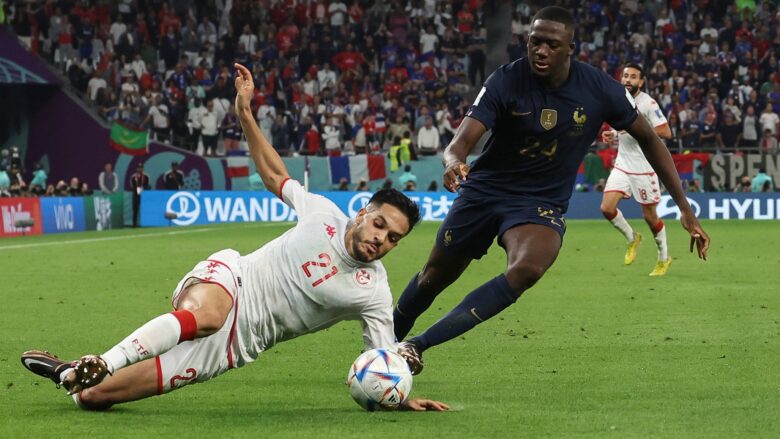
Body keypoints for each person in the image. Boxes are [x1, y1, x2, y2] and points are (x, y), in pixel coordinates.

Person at [20, 63, 448, 413]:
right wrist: (245, 112)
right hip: (232, 279)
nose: (381, 239)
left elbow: (382, 360)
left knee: (93, 397)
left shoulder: (373, 291)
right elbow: (275, 174)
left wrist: (400, 394)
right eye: (380, 225)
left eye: (393, 238)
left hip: (238, 344)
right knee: (208, 315)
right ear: (363, 213)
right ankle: (103, 360)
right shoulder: (322, 214)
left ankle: (74, 372)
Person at [392, 7, 710, 375]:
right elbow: (460, 143)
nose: (541, 51)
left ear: (570, 48)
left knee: (527, 268)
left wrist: (685, 209)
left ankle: (416, 345)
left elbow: (651, 139)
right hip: (484, 191)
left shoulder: (600, 88)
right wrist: (453, 163)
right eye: (535, 42)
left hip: (539, 203)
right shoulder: (505, 79)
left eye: (552, 45)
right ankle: (380, 345)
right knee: (433, 277)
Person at [600, 63, 674, 276]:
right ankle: (632, 238)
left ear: (641, 82)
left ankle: (663, 258)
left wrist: (638, 131)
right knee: (607, 208)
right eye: (625, 76)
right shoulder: (619, 100)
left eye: (633, 77)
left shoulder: (648, 103)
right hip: (623, 164)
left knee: (650, 217)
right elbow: (625, 128)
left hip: (645, 168)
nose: (628, 80)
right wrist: (614, 134)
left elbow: (665, 131)